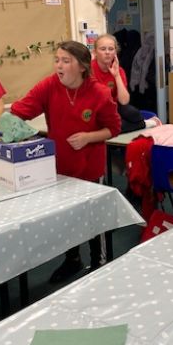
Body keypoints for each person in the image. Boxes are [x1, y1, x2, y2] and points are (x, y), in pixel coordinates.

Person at [11, 40, 121, 283]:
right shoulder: (49, 85)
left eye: (65, 61)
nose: (59, 66)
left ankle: (100, 262)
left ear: (81, 66)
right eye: (57, 60)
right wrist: (9, 126)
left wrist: (88, 137)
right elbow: (20, 110)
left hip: (89, 167)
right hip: (59, 168)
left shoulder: (99, 92)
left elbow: (113, 128)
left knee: (93, 218)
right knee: (67, 217)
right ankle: (73, 259)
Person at [92, 34, 158, 133]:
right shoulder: (88, 70)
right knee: (114, 125)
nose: (107, 52)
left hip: (113, 107)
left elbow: (124, 101)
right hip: (95, 110)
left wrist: (116, 75)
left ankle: (140, 124)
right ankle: (144, 124)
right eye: (103, 49)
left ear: (115, 52)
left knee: (134, 114)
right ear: (95, 52)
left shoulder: (119, 70)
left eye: (111, 49)